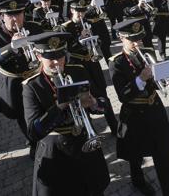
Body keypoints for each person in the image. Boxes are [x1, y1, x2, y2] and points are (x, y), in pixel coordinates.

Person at [22, 31, 110, 196]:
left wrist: (93, 103)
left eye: (60, 56)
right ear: (38, 56)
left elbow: (104, 105)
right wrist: (59, 108)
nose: (57, 62)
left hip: (85, 141)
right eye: (50, 57)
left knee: (94, 188)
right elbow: (33, 132)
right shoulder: (32, 86)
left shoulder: (77, 71)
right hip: (56, 152)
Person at [109, 18, 169, 196]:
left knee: (162, 152)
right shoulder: (116, 62)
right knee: (135, 154)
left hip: (154, 108)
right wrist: (141, 79)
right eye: (132, 39)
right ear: (121, 38)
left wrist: (165, 76)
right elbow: (122, 95)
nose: (137, 43)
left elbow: (157, 76)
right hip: (134, 114)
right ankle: (138, 181)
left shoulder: (147, 51)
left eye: (139, 38)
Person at [0, 0, 44, 154]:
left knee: (42, 109)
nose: (15, 19)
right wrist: (11, 47)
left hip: (35, 76)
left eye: (18, 14)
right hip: (14, 82)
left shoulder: (34, 27)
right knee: (23, 115)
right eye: (10, 15)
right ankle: (34, 144)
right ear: (2, 17)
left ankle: (43, 139)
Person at [56, 0, 118, 135]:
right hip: (77, 66)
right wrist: (80, 40)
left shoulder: (89, 22)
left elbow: (100, 39)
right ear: (72, 10)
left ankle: (114, 126)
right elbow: (65, 50)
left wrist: (94, 39)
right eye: (78, 11)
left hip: (92, 63)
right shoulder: (65, 27)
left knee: (103, 93)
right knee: (82, 97)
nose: (81, 14)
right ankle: (91, 131)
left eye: (83, 11)